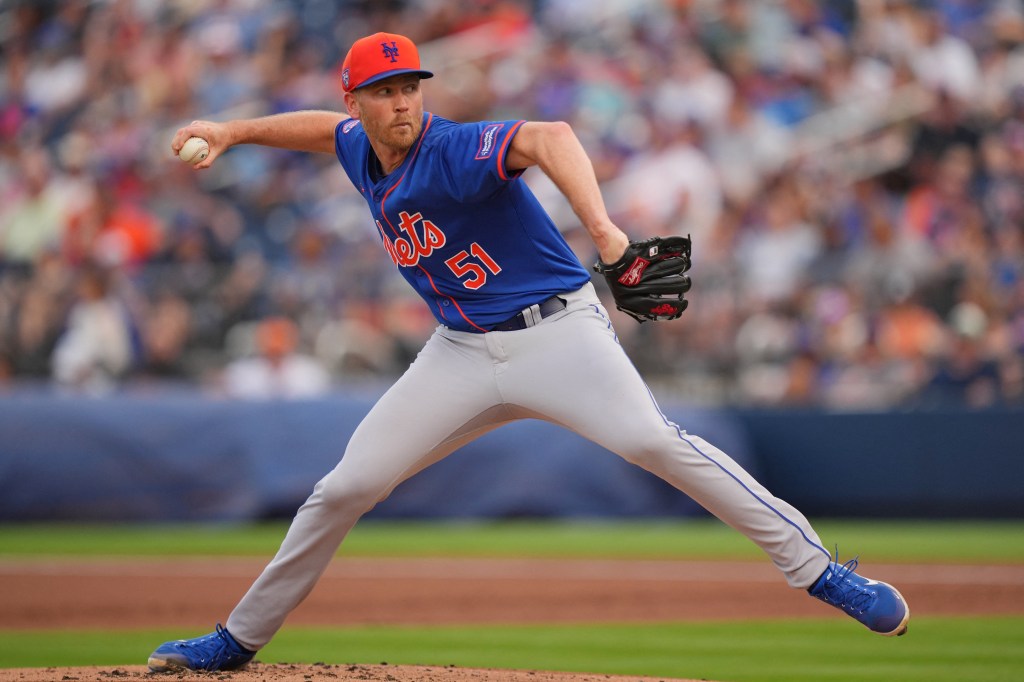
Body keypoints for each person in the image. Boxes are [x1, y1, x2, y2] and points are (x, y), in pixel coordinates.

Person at [149, 32, 909, 673]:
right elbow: (321, 131)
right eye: (383, 91)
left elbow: (550, 138)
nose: (403, 101)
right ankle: (237, 641)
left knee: (653, 440)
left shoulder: (450, 149)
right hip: (459, 354)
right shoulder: (358, 146)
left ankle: (822, 573)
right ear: (358, 103)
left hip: (557, 334)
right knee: (344, 488)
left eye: (411, 85)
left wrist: (606, 235)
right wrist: (233, 130)